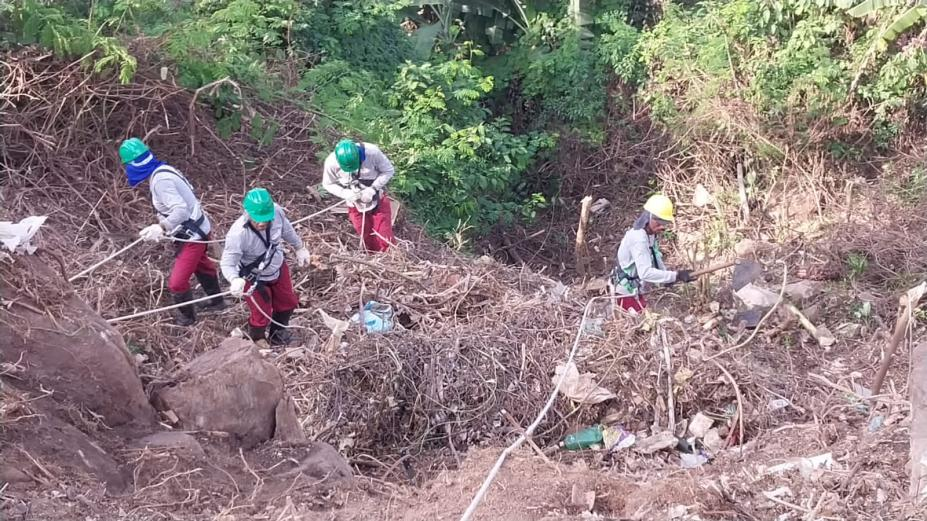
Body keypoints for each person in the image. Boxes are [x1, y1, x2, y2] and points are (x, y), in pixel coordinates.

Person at [119, 137, 225, 326]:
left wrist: (162, 227)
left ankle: (188, 318)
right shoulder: (162, 170)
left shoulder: (161, 181)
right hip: (198, 228)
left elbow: (180, 210)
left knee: (177, 283)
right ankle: (217, 301)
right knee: (201, 265)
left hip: (194, 235)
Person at [220, 188, 310, 346]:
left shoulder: (276, 212)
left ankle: (278, 333)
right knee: (262, 310)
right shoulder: (238, 235)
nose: (261, 223)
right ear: (247, 213)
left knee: (287, 302)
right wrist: (234, 279)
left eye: (265, 219)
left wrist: (299, 247)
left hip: (277, 266)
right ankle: (258, 338)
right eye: (257, 219)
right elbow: (228, 262)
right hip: (253, 276)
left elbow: (287, 230)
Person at [611, 194, 696, 313]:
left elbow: (655, 256)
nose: (662, 227)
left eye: (664, 223)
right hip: (624, 290)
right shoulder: (638, 238)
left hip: (635, 288)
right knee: (642, 321)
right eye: (659, 222)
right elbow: (645, 273)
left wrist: (668, 278)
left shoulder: (649, 234)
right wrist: (675, 275)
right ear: (648, 217)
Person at [321, 139, 395, 252]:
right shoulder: (331, 163)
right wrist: (345, 193)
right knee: (366, 237)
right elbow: (327, 184)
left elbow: (388, 170)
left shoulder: (372, 153)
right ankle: (372, 261)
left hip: (377, 200)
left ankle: (390, 260)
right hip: (354, 204)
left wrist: (372, 189)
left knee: (385, 239)